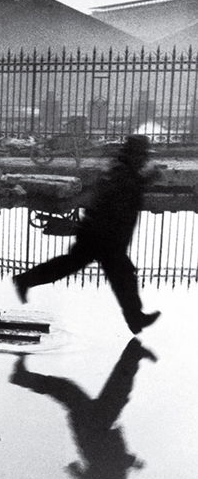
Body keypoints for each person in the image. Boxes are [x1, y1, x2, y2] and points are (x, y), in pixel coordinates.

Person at [13, 135, 161, 334]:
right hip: (102, 236)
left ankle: (135, 318)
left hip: (101, 234)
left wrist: (143, 180)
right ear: (134, 155)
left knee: (84, 267)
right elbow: (122, 193)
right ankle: (135, 318)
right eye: (142, 155)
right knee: (121, 275)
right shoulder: (122, 174)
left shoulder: (121, 170)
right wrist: (145, 180)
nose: (144, 159)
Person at [10, 338, 157, 479]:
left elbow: (111, 463)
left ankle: (134, 352)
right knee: (113, 389)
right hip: (96, 426)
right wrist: (130, 463)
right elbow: (82, 471)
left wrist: (133, 462)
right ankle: (134, 352)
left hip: (93, 427)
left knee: (82, 391)